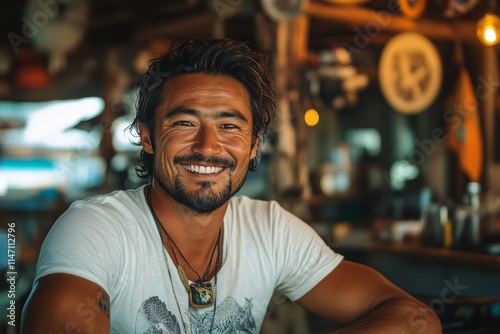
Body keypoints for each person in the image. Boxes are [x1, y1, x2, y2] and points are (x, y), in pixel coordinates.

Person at [21, 37, 441, 334]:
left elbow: (416, 320)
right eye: (185, 123)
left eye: (230, 126)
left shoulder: (269, 229)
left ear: (254, 145)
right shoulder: (96, 230)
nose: (208, 147)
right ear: (147, 136)